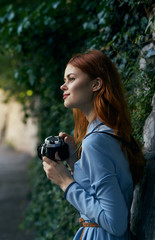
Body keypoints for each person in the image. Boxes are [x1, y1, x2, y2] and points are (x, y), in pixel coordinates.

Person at [42, 50, 145, 240]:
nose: (63, 86)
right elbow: (97, 192)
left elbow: (115, 223)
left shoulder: (96, 141)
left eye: (71, 79)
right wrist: (74, 160)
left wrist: (66, 183)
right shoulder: (105, 133)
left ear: (96, 84)